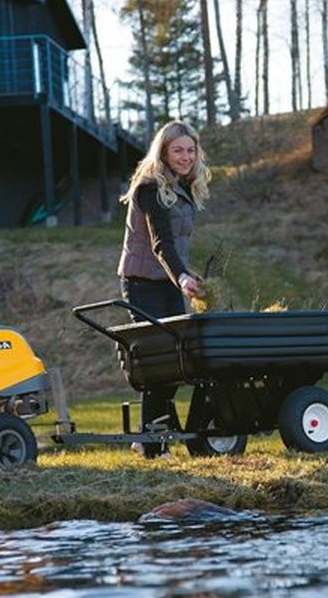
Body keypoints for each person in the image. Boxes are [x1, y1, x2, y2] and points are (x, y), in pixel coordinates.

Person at [117, 120, 211, 458]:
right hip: (142, 282)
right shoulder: (149, 187)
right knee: (157, 361)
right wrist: (182, 277)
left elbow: (176, 246)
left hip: (169, 281)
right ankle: (150, 442)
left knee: (176, 361)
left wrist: (186, 276)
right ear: (164, 152)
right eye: (178, 150)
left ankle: (152, 437)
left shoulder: (183, 188)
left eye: (190, 150)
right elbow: (160, 244)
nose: (186, 156)